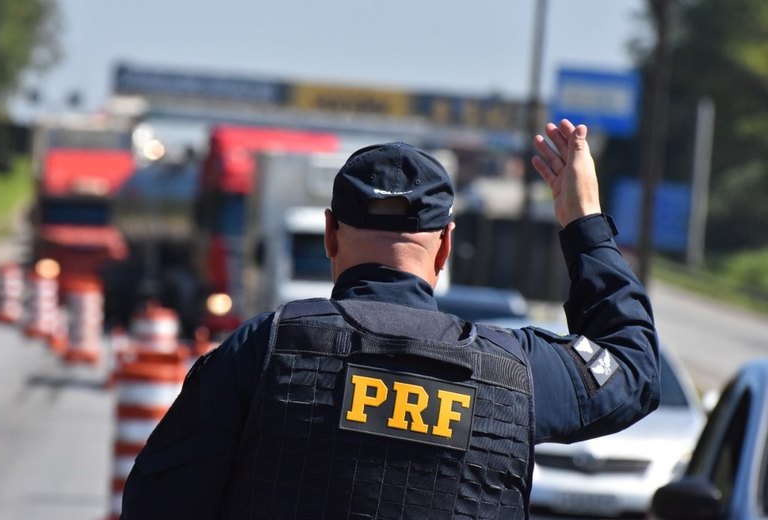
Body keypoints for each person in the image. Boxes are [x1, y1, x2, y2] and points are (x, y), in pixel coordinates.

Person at [120, 119, 660, 519]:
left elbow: (160, 502)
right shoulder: (515, 373)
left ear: (332, 235)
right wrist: (583, 221)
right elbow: (632, 368)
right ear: (446, 246)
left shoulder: (263, 351)